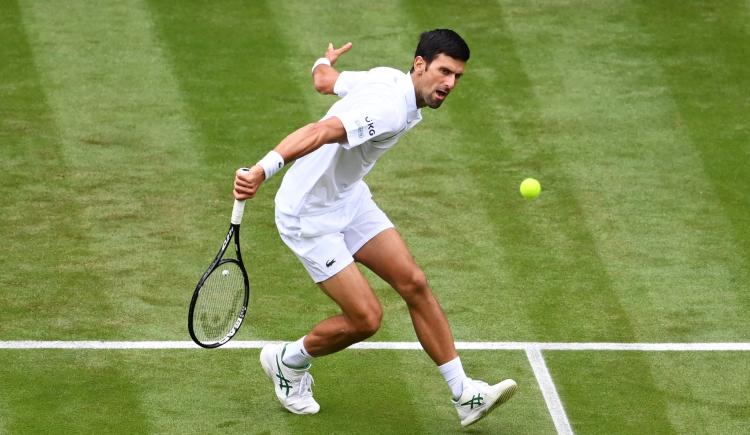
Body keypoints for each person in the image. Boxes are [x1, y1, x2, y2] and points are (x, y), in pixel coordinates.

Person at [233, 29, 517, 427]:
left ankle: (464, 394)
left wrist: (323, 61)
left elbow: (324, 82)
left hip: (348, 199)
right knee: (366, 319)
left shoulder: (388, 77)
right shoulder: (388, 108)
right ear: (420, 65)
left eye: (457, 77)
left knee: (414, 282)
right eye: (444, 72)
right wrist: (264, 169)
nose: (450, 83)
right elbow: (319, 132)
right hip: (308, 216)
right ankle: (287, 362)